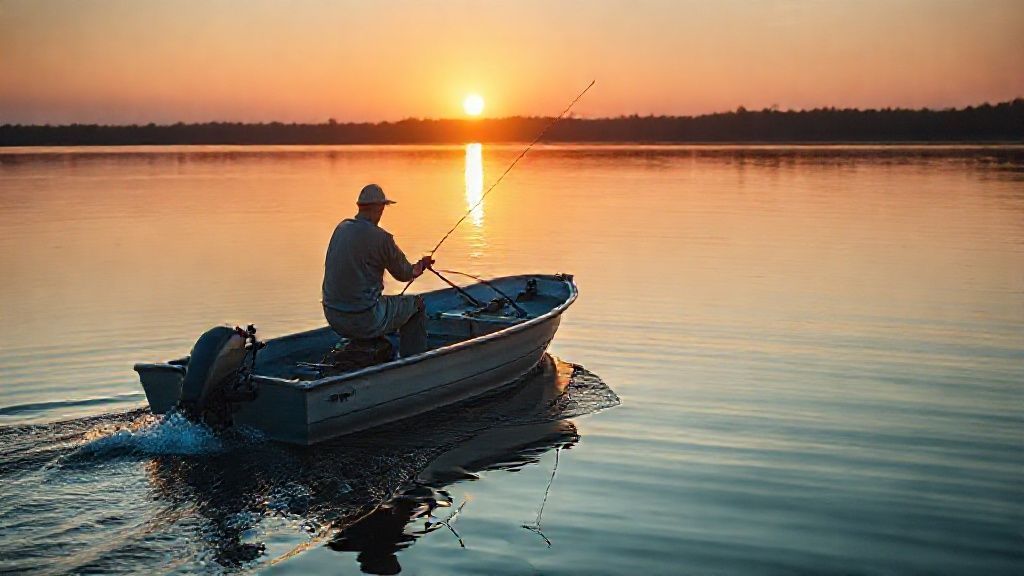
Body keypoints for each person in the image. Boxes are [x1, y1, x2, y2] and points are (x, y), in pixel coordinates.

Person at [322, 184, 434, 357]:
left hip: (333, 315)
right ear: (379, 208)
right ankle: (413, 362)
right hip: (365, 317)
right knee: (417, 305)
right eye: (382, 208)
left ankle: (371, 348)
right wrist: (420, 267)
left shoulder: (341, 229)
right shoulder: (382, 238)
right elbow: (404, 274)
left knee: (378, 303)